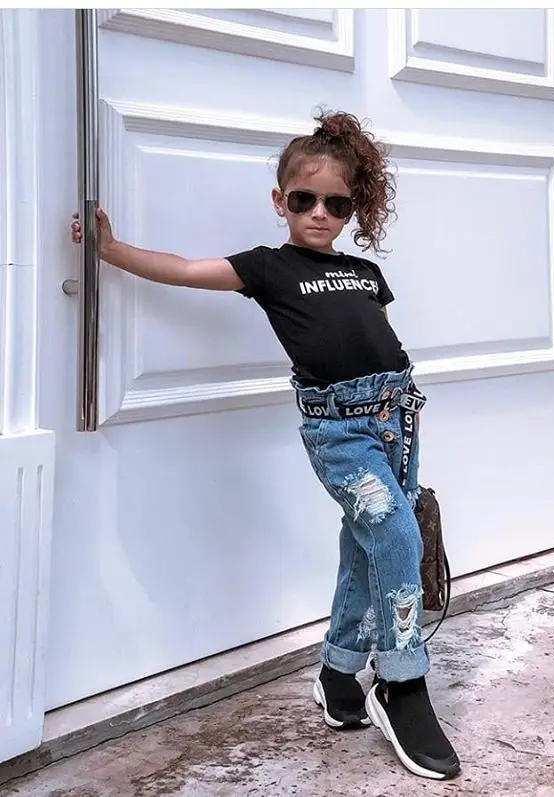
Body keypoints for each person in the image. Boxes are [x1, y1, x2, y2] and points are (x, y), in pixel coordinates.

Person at [70, 109, 461, 781]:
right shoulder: (270, 268)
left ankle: (339, 674)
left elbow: (376, 337)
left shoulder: (366, 273)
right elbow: (184, 269)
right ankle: (401, 681)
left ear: (351, 209)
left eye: (336, 204)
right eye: (304, 200)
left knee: (366, 544)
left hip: (398, 418)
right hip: (340, 430)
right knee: (397, 534)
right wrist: (112, 250)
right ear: (280, 201)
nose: (319, 214)